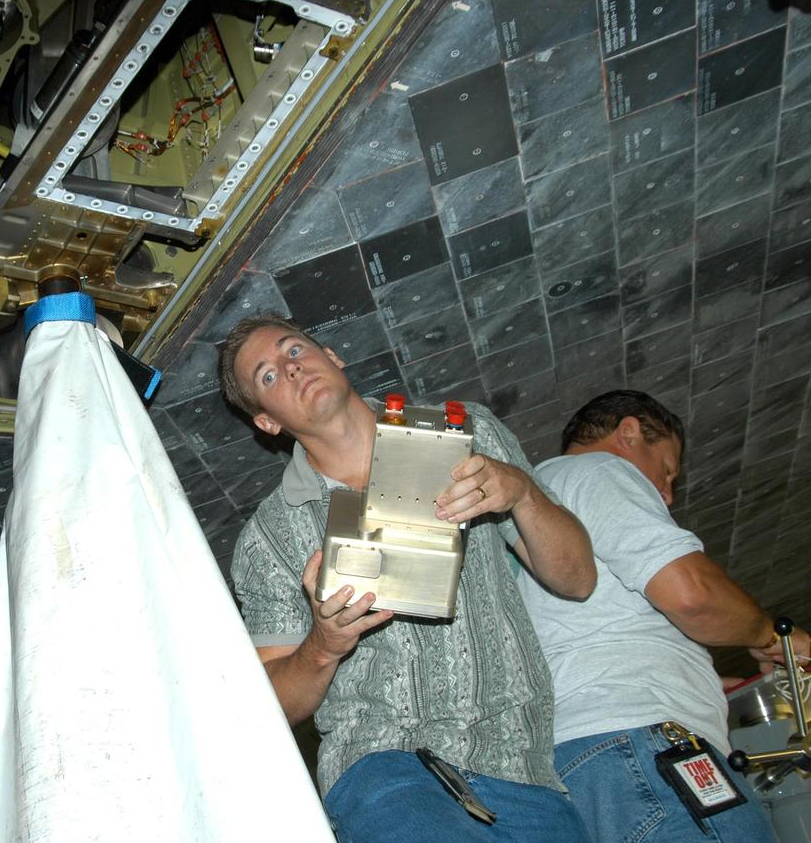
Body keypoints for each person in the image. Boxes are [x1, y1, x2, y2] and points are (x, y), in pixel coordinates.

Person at [220, 314, 596, 842]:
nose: (291, 368)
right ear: (267, 423)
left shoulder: (466, 435)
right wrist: (323, 647)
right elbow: (272, 705)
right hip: (384, 765)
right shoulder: (269, 536)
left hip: (524, 765)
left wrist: (523, 493)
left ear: (332, 354)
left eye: (295, 349)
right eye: (267, 376)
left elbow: (578, 579)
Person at [516, 389, 808, 843]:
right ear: (629, 432)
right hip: (642, 748)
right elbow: (691, 595)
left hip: (574, 767)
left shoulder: (531, 511)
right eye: (667, 471)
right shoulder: (596, 470)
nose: (668, 495)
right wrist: (772, 637)